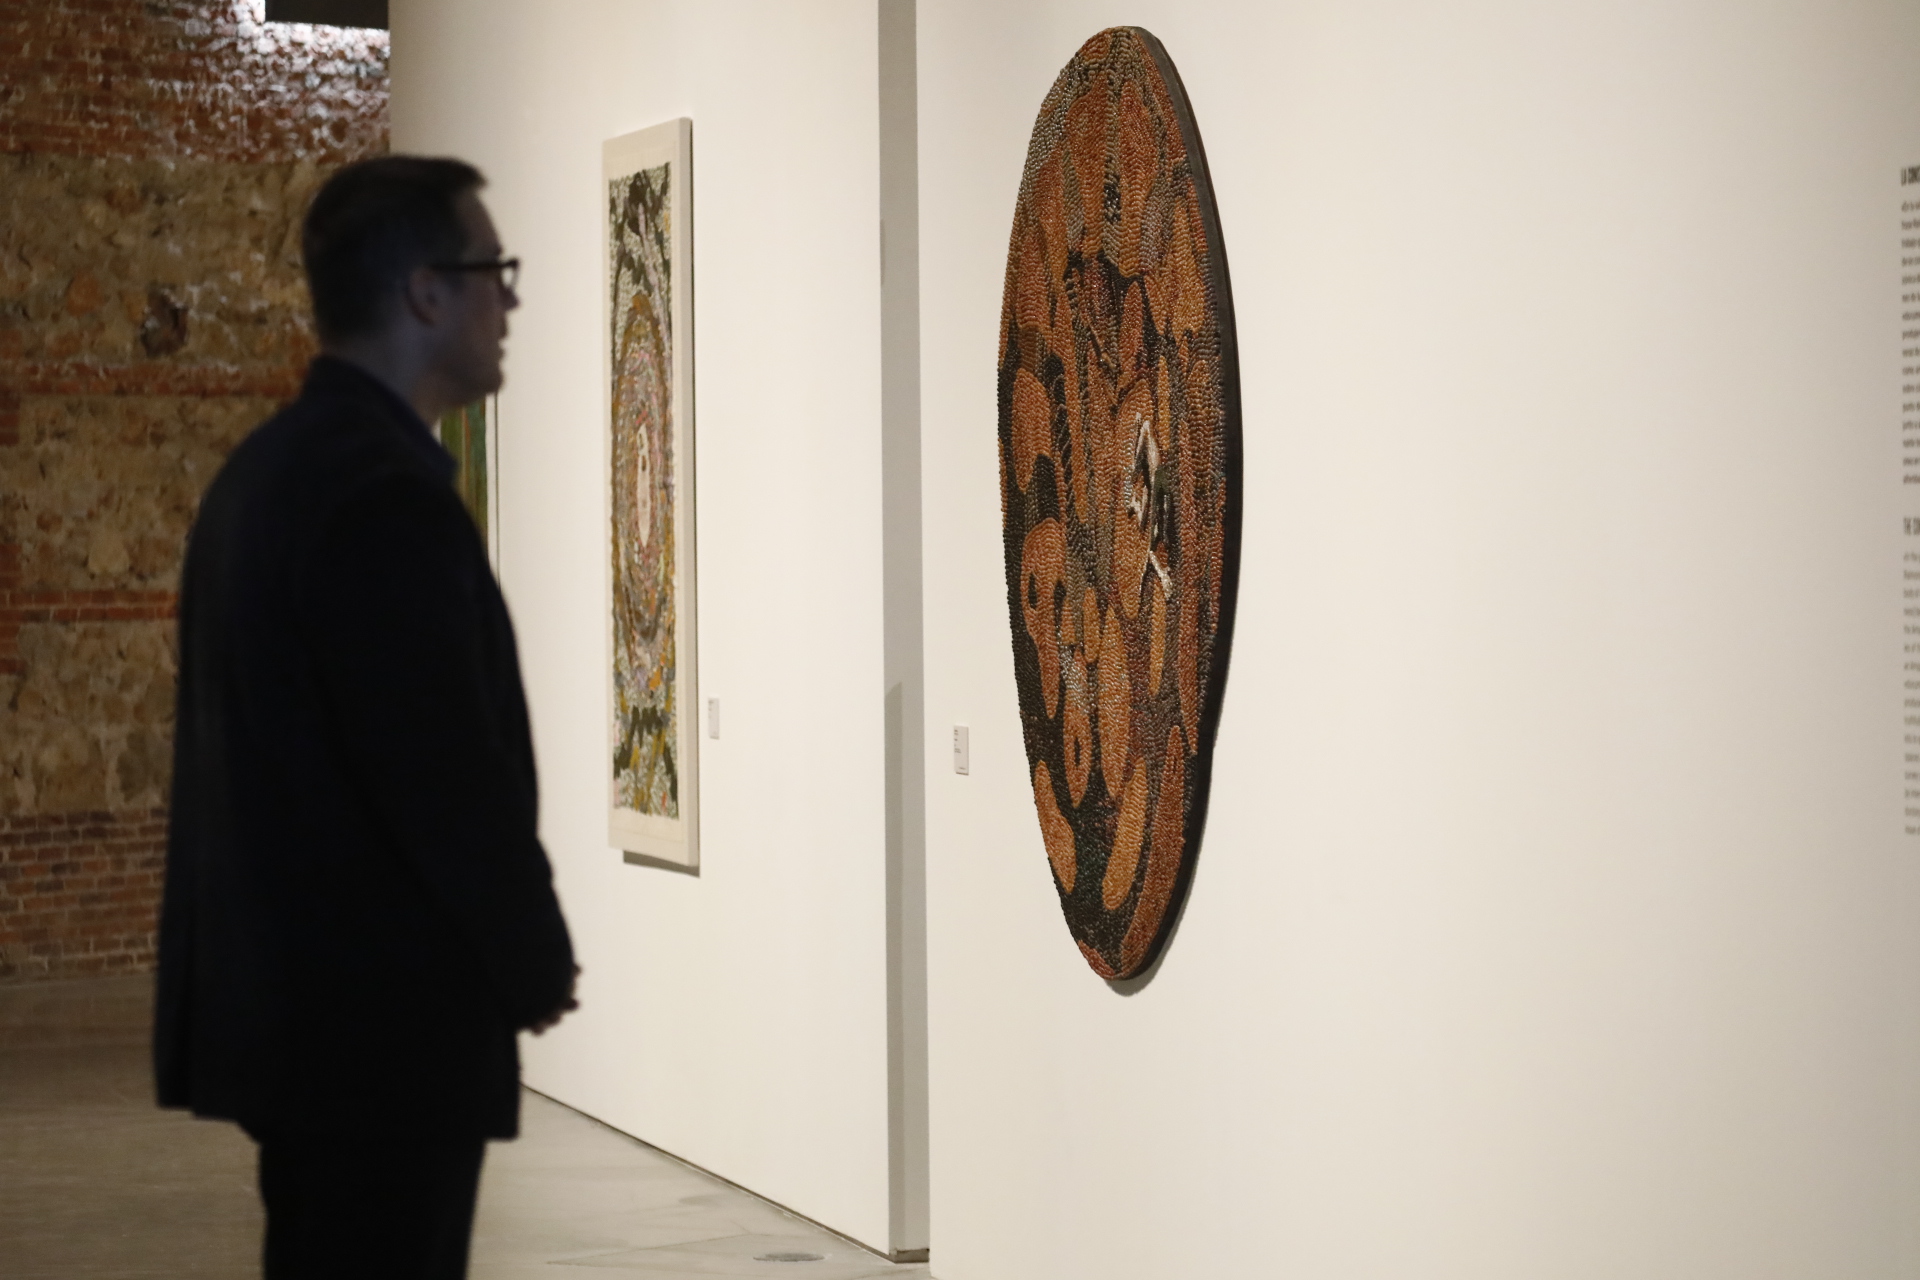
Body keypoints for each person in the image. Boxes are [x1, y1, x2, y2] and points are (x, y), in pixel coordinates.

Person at [154, 156, 577, 1280]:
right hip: (378, 1023)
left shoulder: (269, 473)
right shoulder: (378, 493)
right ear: (425, 291)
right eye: (493, 270)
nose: (510, 301)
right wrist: (531, 954)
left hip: (309, 1016)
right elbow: (438, 769)